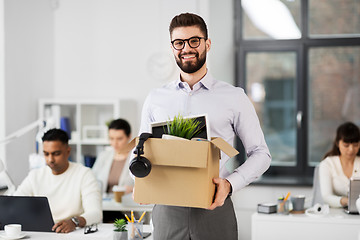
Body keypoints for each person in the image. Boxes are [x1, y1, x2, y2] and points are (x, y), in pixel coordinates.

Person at [137, 13, 271, 240]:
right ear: (172, 48)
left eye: (194, 41)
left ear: (207, 44)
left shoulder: (234, 96)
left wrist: (230, 184)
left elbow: (261, 154)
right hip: (167, 210)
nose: (186, 48)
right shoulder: (155, 98)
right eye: (179, 42)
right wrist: (142, 181)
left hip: (214, 206)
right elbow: (139, 150)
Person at [14, 129, 102, 233]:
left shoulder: (84, 174)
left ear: (68, 151)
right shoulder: (35, 176)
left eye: (56, 154)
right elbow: (14, 203)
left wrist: (74, 222)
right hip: (43, 233)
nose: (50, 159)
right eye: (46, 154)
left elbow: (95, 213)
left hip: (73, 232)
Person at [319, 122, 360, 208]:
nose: (351, 150)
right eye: (346, 145)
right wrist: (346, 201)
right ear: (338, 143)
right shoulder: (327, 164)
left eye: (355, 145)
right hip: (336, 214)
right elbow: (326, 197)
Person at [92, 119, 134, 194]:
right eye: (111, 138)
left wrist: (133, 189)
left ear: (129, 136)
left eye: (119, 139)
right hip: (105, 203)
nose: (115, 143)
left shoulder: (136, 158)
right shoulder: (103, 156)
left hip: (127, 203)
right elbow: (92, 180)